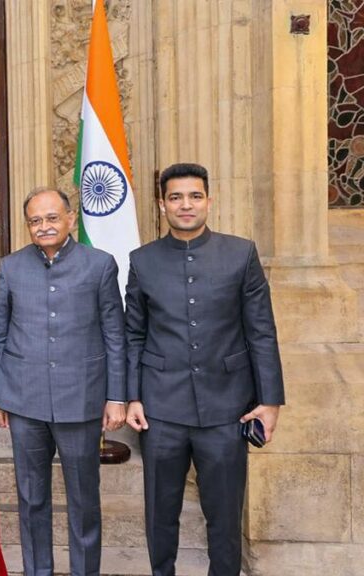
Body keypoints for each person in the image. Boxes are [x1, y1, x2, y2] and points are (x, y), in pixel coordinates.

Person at [124, 163, 284, 576]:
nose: (186, 205)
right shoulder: (142, 260)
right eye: (175, 197)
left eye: (195, 196)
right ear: (162, 205)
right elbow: (133, 334)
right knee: (160, 514)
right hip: (160, 408)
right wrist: (132, 396)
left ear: (209, 201)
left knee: (225, 517)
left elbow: (261, 331)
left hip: (228, 408)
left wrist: (270, 402)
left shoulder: (241, 253)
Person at [0, 186, 126, 576]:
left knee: (83, 501)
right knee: (31, 499)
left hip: (80, 399)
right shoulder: (11, 267)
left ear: (70, 218)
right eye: (35, 220)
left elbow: (115, 334)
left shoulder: (100, 265)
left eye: (51, 218)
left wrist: (117, 396)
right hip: (24, 399)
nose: (44, 226)